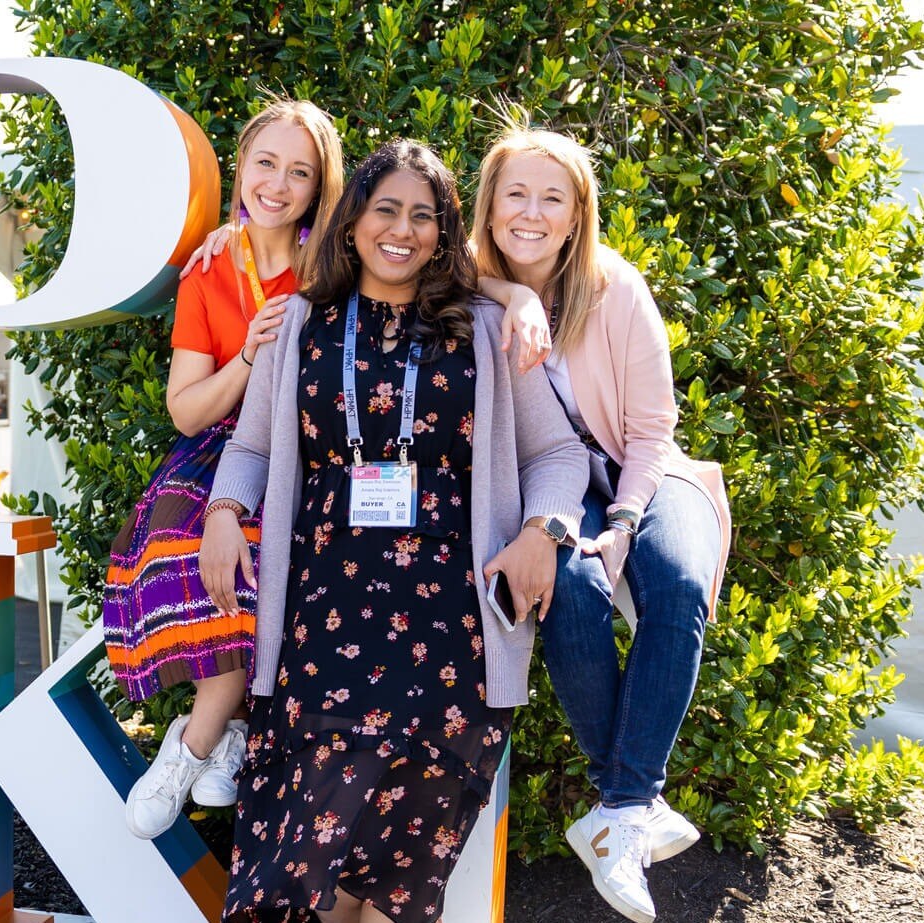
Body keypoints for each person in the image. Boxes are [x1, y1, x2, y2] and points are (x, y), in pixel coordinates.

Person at [201, 139, 588, 923]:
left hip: (450, 639)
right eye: (386, 210)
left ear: (446, 235)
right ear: (350, 224)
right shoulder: (301, 325)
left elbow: (558, 451)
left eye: (424, 216)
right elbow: (250, 446)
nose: (402, 230)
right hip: (319, 626)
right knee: (288, 872)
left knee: (399, 877)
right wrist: (220, 512)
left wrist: (545, 530)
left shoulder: (487, 327)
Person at [473, 127, 733, 923]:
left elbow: (654, 430)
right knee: (574, 585)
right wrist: (514, 295)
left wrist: (625, 517)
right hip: (551, 486)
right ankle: (625, 808)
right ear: (489, 203)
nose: (532, 212)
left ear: (578, 211)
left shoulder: (615, 287)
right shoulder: (465, 285)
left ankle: (620, 807)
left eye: (553, 197)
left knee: (682, 581)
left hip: (641, 473)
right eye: (516, 193)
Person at [104, 98, 346, 839]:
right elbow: (186, 411)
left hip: (310, 447)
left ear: (319, 188)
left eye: (299, 172)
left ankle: (194, 742)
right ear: (240, 165)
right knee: (191, 541)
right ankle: (225, 728)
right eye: (265, 162)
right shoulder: (209, 269)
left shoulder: (336, 265)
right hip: (223, 444)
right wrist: (249, 353)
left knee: (270, 549)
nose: (277, 183)